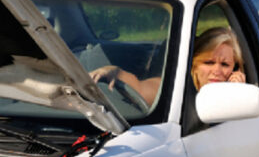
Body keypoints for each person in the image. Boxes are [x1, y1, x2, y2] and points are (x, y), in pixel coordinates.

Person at [89, 27, 246, 106]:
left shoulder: (238, 91)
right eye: (209, 62)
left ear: (235, 68)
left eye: (225, 64)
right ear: (194, 63)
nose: (217, 71)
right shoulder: (178, 87)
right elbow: (142, 89)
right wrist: (115, 72)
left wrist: (238, 95)